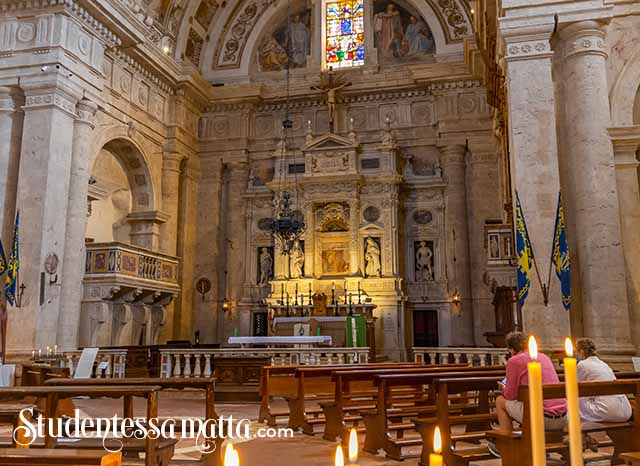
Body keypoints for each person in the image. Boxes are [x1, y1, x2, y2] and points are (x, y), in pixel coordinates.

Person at [489, 331, 567, 458]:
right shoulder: (544, 357)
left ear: (511, 349)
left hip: (541, 417)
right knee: (526, 403)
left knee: (500, 401)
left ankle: (506, 442)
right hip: (564, 416)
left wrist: (503, 388)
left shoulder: (514, 360)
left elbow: (510, 395)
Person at [575, 338, 632, 423]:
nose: (575, 354)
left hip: (607, 411)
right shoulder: (603, 363)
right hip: (625, 410)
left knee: (573, 404)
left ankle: (583, 434)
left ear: (582, 351)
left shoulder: (582, 364)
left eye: (576, 351)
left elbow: (575, 386)